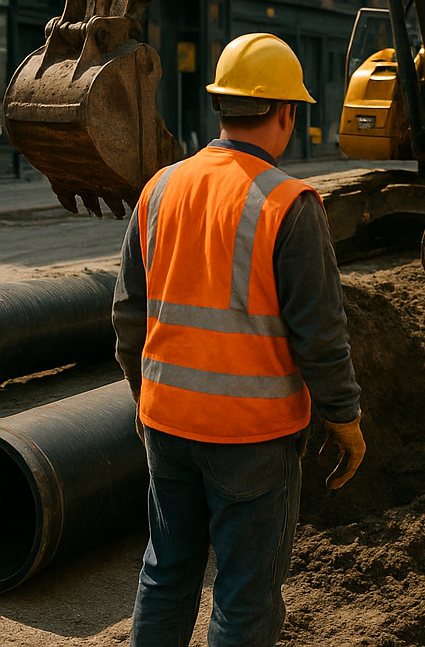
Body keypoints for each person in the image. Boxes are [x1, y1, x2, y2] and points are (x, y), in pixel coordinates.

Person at [112, 32, 365, 647]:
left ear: (222, 106)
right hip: (253, 437)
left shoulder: (160, 188)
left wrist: (145, 396)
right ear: (284, 113)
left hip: (168, 425)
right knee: (245, 597)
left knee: (165, 574)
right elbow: (319, 335)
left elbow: (126, 317)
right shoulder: (289, 204)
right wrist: (345, 419)